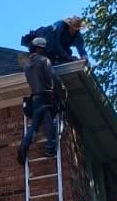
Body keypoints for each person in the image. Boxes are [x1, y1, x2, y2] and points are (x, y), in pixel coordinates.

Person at [17, 35, 59, 163]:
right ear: (40, 49)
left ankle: (23, 146)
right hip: (46, 96)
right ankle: (50, 149)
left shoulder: (27, 64)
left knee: (34, 127)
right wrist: (60, 89)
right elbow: (53, 77)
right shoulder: (44, 61)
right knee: (49, 122)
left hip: (35, 98)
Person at [19, 15, 87, 66]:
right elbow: (56, 43)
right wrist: (66, 56)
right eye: (72, 28)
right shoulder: (60, 26)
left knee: (69, 52)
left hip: (60, 46)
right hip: (45, 38)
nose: (73, 31)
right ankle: (45, 55)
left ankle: (55, 58)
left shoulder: (78, 37)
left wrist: (84, 58)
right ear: (69, 25)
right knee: (51, 32)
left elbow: (82, 50)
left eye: (76, 30)